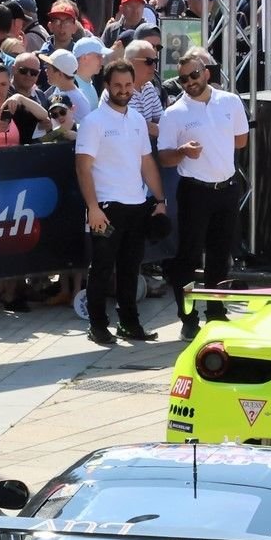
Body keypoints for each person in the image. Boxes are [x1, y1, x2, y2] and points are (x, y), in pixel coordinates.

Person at [75, 60, 169, 347]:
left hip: (137, 205)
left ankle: (129, 323)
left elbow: (146, 162)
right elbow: (82, 167)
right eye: (118, 85)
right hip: (106, 208)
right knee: (102, 268)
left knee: (130, 268)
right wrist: (93, 208)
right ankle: (97, 325)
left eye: (128, 85)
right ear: (107, 85)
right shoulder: (93, 122)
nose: (124, 90)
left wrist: (160, 200)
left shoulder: (138, 120)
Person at [158, 48, 249, 341]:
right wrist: (183, 152)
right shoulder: (174, 113)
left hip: (227, 188)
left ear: (206, 73)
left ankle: (216, 312)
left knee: (220, 256)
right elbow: (164, 158)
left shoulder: (230, 101)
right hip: (195, 191)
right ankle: (187, 317)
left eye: (194, 75)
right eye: (183, 79)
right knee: (188, 257)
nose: (190, 82)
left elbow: (241, 140)